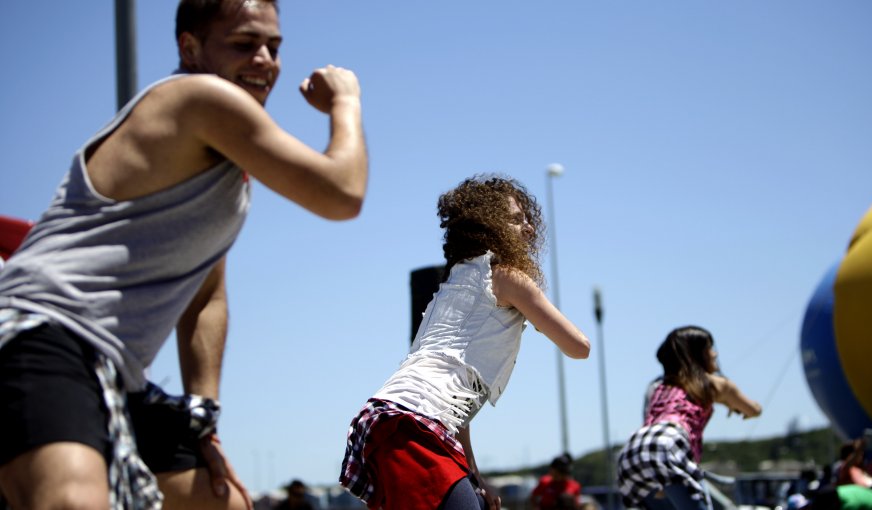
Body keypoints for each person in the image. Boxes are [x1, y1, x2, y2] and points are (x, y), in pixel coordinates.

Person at [0, 0, 368, 508]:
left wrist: (202, 418)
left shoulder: (222, 168)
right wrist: (345, 103)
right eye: (244, 44)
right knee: (69, 500)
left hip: (113, 368)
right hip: (43, 329)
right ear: (189, 46)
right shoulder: (200, 100)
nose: (264, 59)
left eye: (274, 47)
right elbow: (341, 193)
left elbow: (205, 296)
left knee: (222, 503)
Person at [339, 175, 591, 510]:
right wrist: (538, 315)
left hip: (389, 420)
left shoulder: (451, 288)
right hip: (415, 426)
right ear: (490, 226)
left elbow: (454, 409)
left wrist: (474, 478)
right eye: (517, 220)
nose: (529, 229)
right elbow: (579, 347)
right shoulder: (507, 277)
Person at [617, 326, 762, 510]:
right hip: (669, 444)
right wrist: (734, 405)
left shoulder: (656, 386)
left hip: (634, 449)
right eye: (709, 348)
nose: (715, 354)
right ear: (697, 355)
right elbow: (754, 409)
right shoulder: (713, 384)